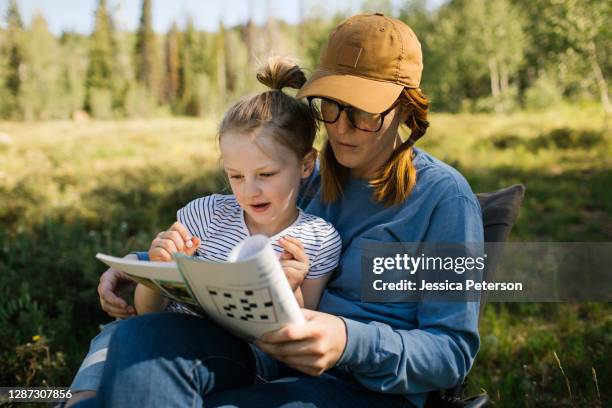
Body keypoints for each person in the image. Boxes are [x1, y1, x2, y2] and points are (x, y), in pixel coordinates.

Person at [69, 13, 483, 408]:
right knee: (142, 338)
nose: (339, 127)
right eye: (331, 106)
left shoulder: (444, 200)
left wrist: (347, 340)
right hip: (263, 358)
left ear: (407, 108)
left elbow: (451, 352)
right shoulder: (302, 175)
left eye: (362, 113)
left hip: (365, 392)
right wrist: (139, 268)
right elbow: (228, 239)